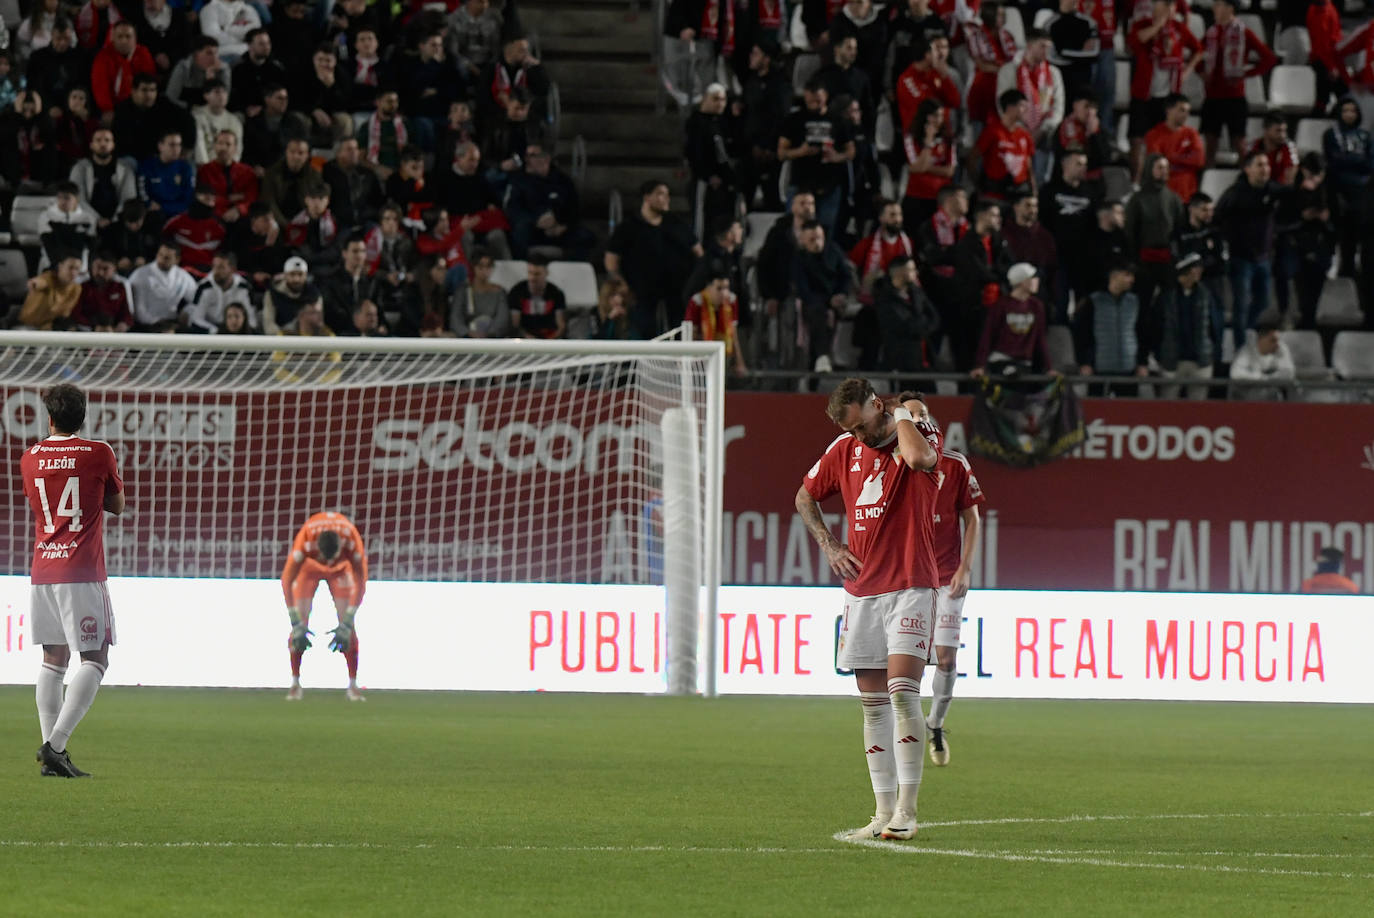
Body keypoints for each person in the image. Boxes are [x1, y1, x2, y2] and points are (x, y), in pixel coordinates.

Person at [794, 379, 941, 840]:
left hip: (911, 583)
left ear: (877, 406)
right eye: (848, 430)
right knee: (873, 706)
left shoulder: (915, 429)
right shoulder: (844, 448)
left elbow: (920, 460)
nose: (856, 437)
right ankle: (880, 812)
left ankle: (908, 811)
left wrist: (901, 412)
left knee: (902, 693)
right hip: (861, 590)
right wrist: (830, 544)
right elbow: (804, 496)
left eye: (859, 425)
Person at [21, 383, 126, 777]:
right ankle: (56, 746)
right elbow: (116, 506)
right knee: (96, 658)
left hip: (42, 570)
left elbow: (38, 501)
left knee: (53, 660)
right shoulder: (99, 452)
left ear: (48, 417)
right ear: (82, 417)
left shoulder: (29, 457)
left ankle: (53, 758)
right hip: (81, 571)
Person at [914, 397, 984, 766]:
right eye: (909, 416)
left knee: (944, 657)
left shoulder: (956, 465)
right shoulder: (898, 466)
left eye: (921, 415)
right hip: (909, 580)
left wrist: (965, 568)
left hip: (946, 576)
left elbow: (972, 518)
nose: (916, 421)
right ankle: (905, 731)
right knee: (905, 662)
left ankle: (935, 725)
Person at [280, 511, 368, 701]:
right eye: (325, 559)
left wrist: (347, 621)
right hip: (309, 568)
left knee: (348, 624)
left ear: (341, 549)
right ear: (317, 550)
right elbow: (287, 580)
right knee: (300, 624)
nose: (328, 564)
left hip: (341, 569)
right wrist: (295, 621)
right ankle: (295, 684)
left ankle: (353, 686)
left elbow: (361, 581)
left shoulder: (352, 541)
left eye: (332, 558)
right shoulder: (305, 541)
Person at [604, 180, 701, 338]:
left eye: (668, 195)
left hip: (677, 288)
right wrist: (621, 282)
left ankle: (679, 361)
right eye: (661, 194)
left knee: (680, 328)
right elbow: (611, 260)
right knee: (644, 328)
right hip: (641, 289)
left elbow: (698, 251)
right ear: (647, 197)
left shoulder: (676, 224)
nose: (666, 199)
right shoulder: (629, 227)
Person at [1200, 0, 1276, 167]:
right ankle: (1208, 180)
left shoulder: (1244, 33)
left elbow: (1269, 58)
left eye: (1218, 4)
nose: (1214, 9)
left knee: (1239, 144)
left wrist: (1246, 74)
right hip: (1212, 96)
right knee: (1210, 145)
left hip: (1235, 96)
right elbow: (1197, 54)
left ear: (1230, 8)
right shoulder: (1211, 32)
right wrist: (1201, 72)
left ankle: (1244, 177)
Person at [973, 262, 1055, 378]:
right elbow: (987, 335)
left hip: (1024, 363)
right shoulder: (1001, 305)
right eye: (1033, 278)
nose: (1037, 281)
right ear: (1022, 281)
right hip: (1001, 360)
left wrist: (1048, 368)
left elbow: (1040, 338)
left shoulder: (1036, 306)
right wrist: (980, 365)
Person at [1154, 252, 1215, 399]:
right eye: (1196, 267)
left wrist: (1210, 352)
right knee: (1167, 409)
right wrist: (1160, 354)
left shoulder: (1205, 294)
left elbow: (1214, 326)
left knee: (1198, 412)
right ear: (1186, 270)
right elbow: (1156, 326)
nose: (1200, 271)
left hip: (1200, 361)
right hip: (1172, 361)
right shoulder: (1166, 296)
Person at [873, 254, 939, 374]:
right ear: (899, 273)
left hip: (924, 359)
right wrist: (923, 322)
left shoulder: (917, 292)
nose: (916, 273)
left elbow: (934, 318)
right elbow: (906, 326)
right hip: (900, 361)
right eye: (911, 269)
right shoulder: (885, 297)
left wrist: (920, 324)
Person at [684, 267, 748, 376]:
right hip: (701, 353)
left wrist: (740, 362)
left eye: (727, 288)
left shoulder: (731, 300)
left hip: (723, 352)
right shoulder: (697, 302)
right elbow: (691, 336)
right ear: (708, 288)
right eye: (719, 288)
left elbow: (734, 335)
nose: (724, 293)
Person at [1143, 93, 1205, 202]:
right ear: (1168, 110)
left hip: (1188, 195)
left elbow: (1199, 160)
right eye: (1181, 110)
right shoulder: (1154, 134)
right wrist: (1186, 161)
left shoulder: (1191, 133)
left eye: (1187, 111)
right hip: (1163, 196)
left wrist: (1172, 157)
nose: (1186, 115)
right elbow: (1157, 164)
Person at [128, 241, 197, 328]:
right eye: (160, 255)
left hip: (173, 324)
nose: (161, 259)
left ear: (177, 260)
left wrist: (187, 313)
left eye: (167, 258)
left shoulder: (183, 277)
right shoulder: (140, 275)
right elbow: (138, 310)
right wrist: (157, 322)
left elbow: (196, 301)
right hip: (146, 325)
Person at [450, 248, 511, 338]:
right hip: (466, 339)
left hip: (493, 339)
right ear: (473, 267)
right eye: (480, 267)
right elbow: (455, 318)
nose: (484, 271)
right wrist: (468, 333)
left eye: (488, 266)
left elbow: (502, 318)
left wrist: (489, 333)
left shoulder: (499, 292)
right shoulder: (463, 291)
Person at [1229, 322, 1295, 400]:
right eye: (1272, 340)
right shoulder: (1247, 350)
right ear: (1261, 339)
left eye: (1277, 340)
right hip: (1247, 403)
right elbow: (1235, 374)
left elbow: (1289, 373)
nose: (1277, 344)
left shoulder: (1281, 348)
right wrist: (1261, 378)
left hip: (1273, 403)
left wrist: (1267, 378)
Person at [508, 253, 566, 339]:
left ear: (546, 273)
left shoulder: (556, 293)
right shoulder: (517, 292)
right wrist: (528, 338)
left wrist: (550, 340)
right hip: (524, 339)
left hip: (550, 338)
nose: (532, 278)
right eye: (530, 273)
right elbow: (515, 324)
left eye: (537, 274)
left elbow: (561, 325)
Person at [19, 256, 85, 330]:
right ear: (60, 266)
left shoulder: (76, 288)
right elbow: (42, 282)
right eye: (70, 267)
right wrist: (34, 283)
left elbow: (64, 314)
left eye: (77, 269)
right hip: (30, 326)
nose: (73, 272)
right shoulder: (49, 278)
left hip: (50, 327)